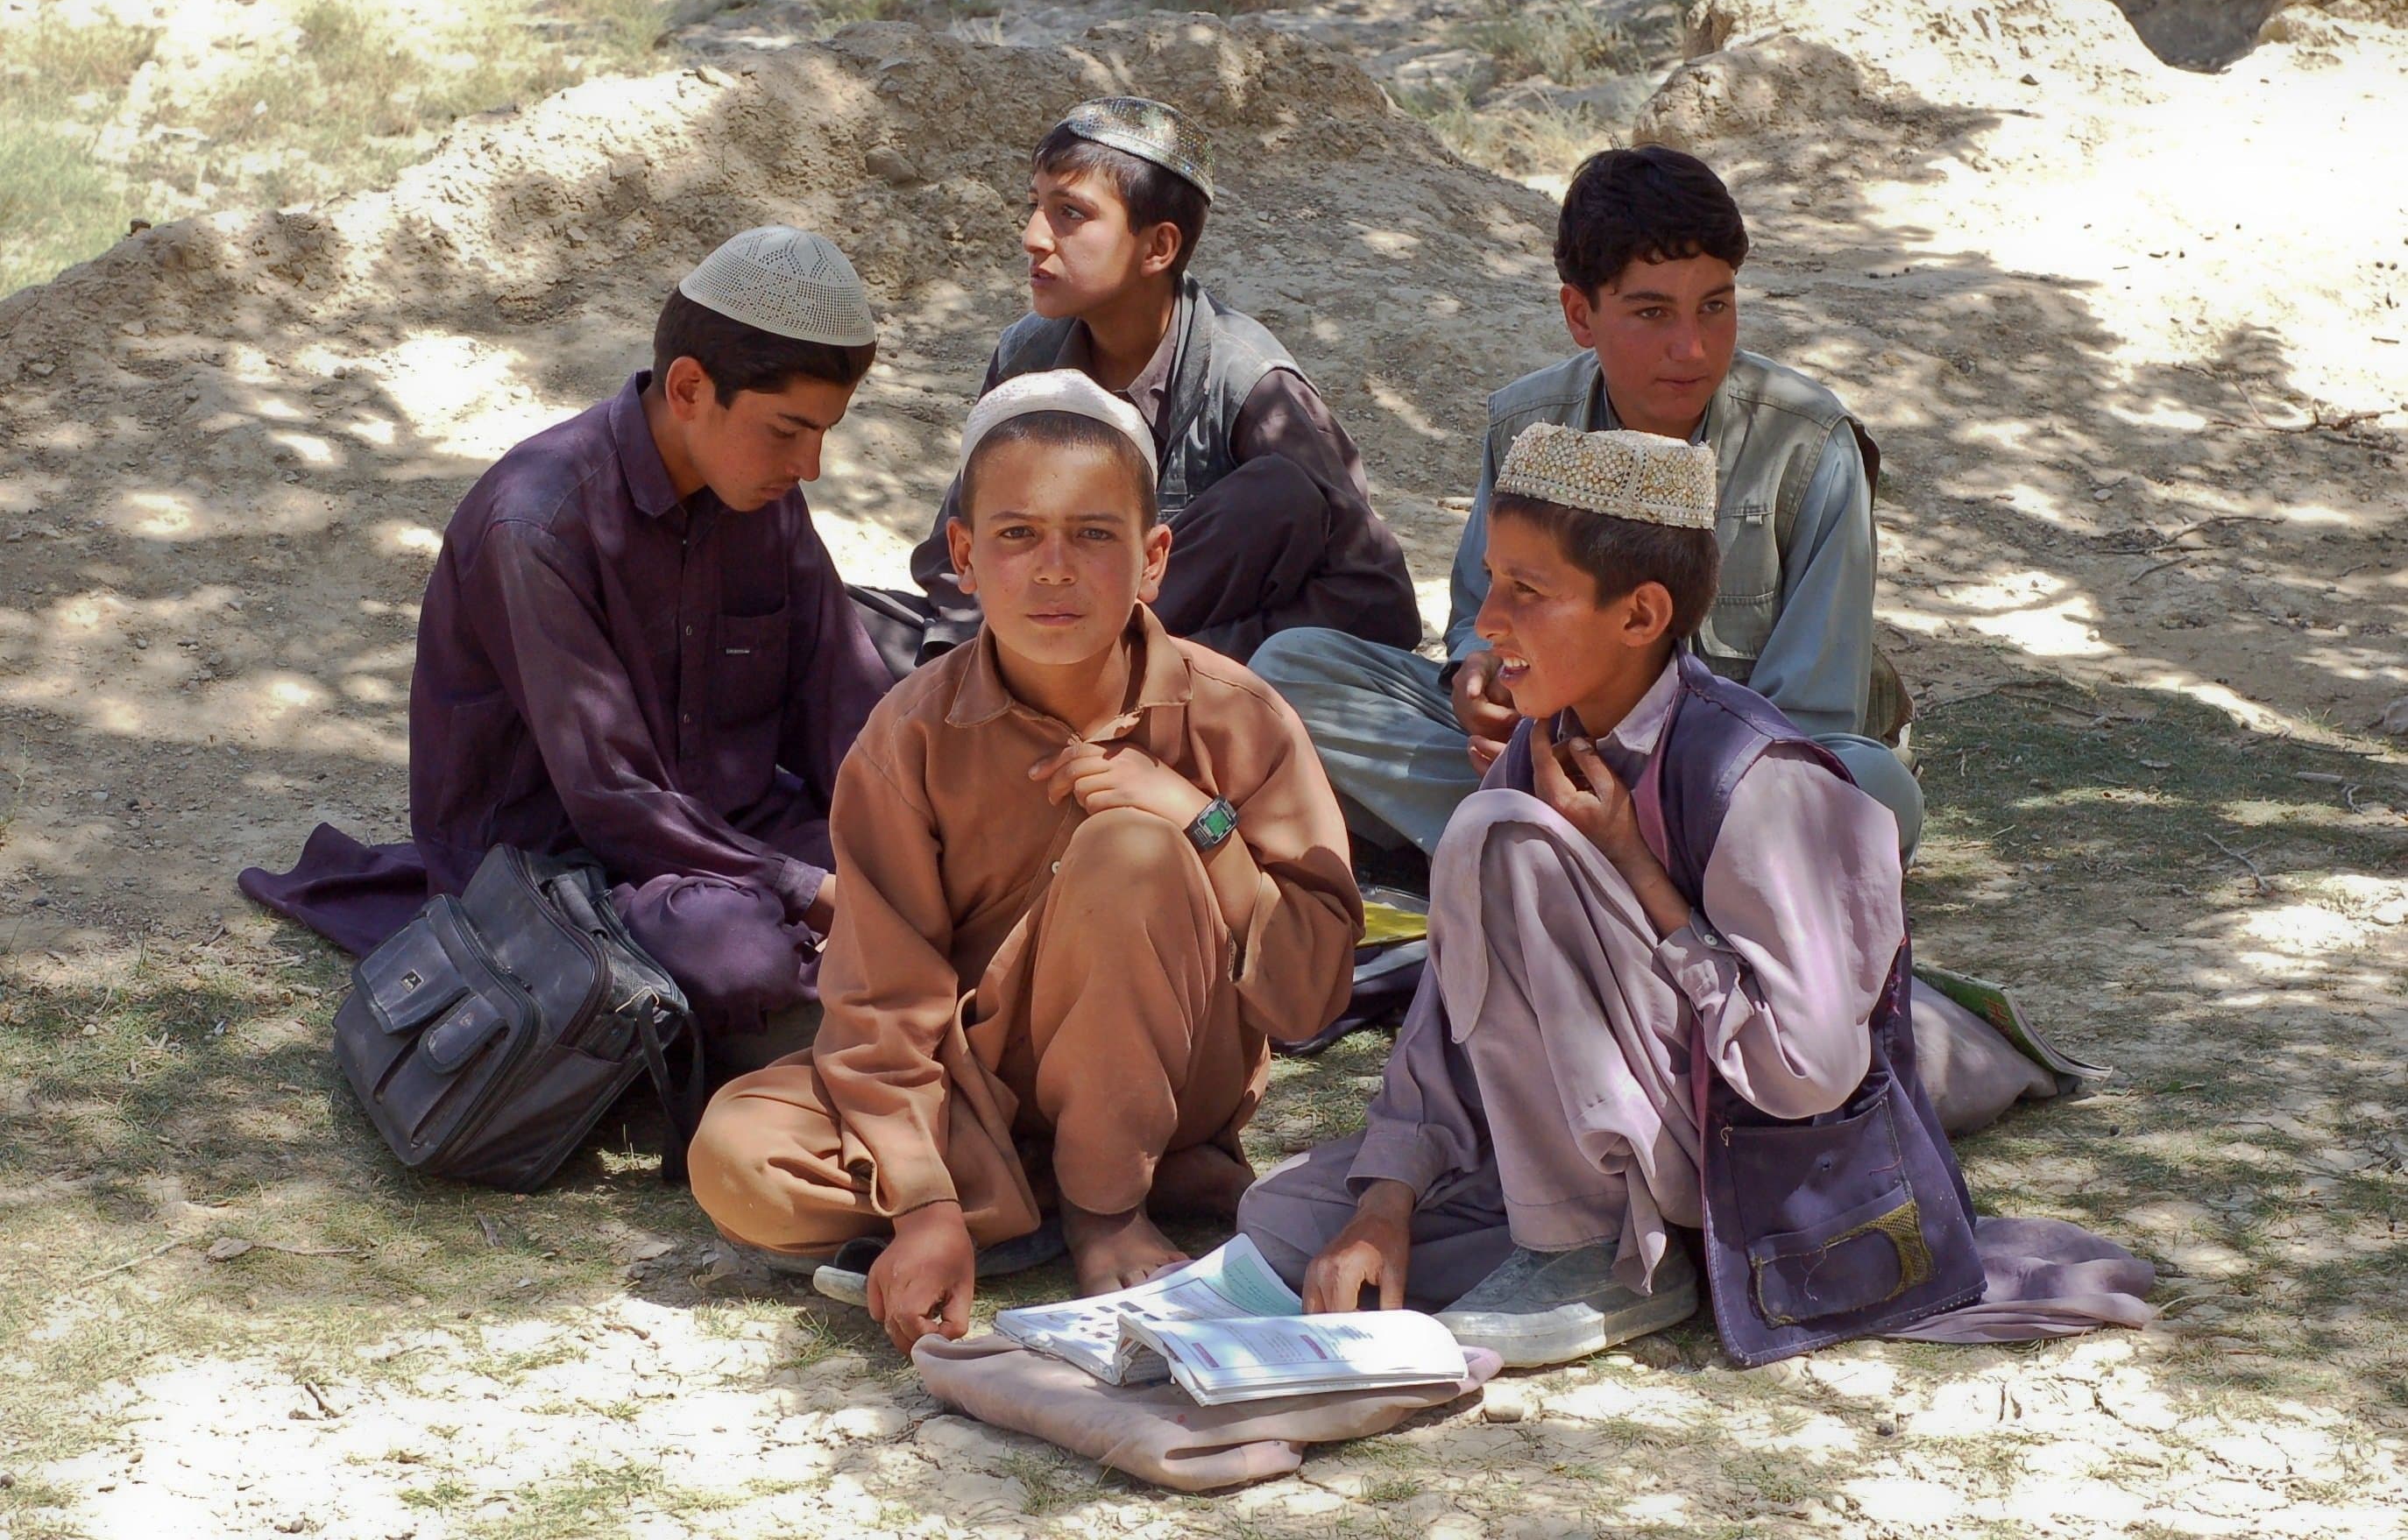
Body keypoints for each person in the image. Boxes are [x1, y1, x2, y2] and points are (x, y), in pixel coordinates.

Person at [1238, 425, 2152, 1367]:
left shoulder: (1752, 775)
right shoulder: (1542, 743)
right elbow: (1448, 1009)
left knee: (1494, 836)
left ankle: (1598, 1251)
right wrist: (1385, 1202)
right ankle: (1579, 1216)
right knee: (1284, 1219)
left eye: (1527, 591)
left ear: (1639, 616)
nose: (1486, 626)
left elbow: (1808, 1070)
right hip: (1595, 1127)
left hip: (1736, 1152)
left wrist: (1635, 865)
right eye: (1493, 582)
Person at [690, 371, 1362, 1352]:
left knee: (1133, 847)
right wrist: (921, 1202)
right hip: (976, 1086)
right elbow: (882, 1003)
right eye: (1016, 534)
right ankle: (1006, 1197)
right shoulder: (910, 736)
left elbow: (1309, 999)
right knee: (737, 1155)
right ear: (963, 553)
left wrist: (1200, 823)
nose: (1054, 569)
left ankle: (1104, 1211)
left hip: (1173, 1072)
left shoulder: (1237, 717)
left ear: (1153, 558)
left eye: (1094, 534)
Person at [237, 228, 893, 1064]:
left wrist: (903, 845)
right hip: (569, 868)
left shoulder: (761, 492)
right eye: (789, 431)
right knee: (740, 956)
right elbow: (613, 798)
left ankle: (862, 1004)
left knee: (942, 872)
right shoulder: (536, 523)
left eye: (825, 432)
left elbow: (844, 703)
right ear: (691, 388)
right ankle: (874, 1011)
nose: (812, 466)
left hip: (733, 831)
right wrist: (816, 894)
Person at [1249, 145, 1924, 865]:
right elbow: (1484, 620)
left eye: (1716, 307)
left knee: (1876, 789)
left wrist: (1642, 771)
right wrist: (1479, 679)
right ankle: (1596, 845)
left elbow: (1809, 716)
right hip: (1547, 753)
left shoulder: (1810, 446)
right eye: (1652, 312)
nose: (1692, 347)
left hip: (1724, 775)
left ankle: (1542, 839)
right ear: (1580, 313)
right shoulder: (1528, 426)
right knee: (1292, 670)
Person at [850, 95, 1420, 676]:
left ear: (1159, 247)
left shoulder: (1252, 386)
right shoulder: (1028, 355)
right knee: (834, 621)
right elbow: (955, 558)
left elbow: (1376, 604)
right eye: (1035, 206)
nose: (1033, 237)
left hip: (1167, 672)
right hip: (1019, 648)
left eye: (1069, 213)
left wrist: (1180, 660)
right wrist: (974, 665)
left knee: (1279, 493)